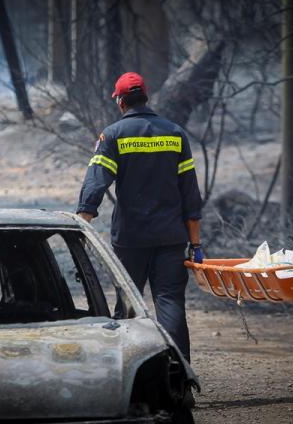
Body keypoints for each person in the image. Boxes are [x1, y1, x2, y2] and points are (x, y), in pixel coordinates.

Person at [76, 72, 203, 362]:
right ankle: (179, 380)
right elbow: (190, 194)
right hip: (171, 238)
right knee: (171, 304)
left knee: (128, 307)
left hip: (131, 239)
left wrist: (81, 228)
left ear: (120, 101)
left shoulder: (113, 135)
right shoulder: (175, 134)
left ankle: (126, 374)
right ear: (145, 97)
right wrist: (195, 244)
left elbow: (96, 184)